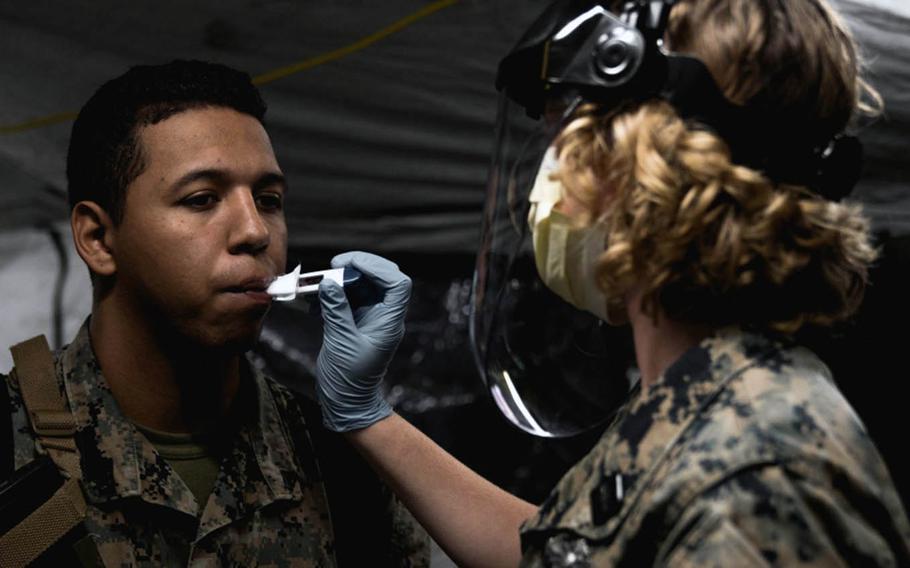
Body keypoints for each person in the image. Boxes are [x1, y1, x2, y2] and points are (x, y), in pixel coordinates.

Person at [312, 0, 910, 566]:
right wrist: (367, 415)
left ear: (642, 166)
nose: (551, 181)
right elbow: (562, 554)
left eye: (570, 139)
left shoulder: (756, 484)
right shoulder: (706, 397)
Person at [1, 60, 428, 566]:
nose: (255, 231)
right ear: (97, 238)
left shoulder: (343, 466)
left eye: (268, 200)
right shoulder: (11, 447)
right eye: (202, 198)